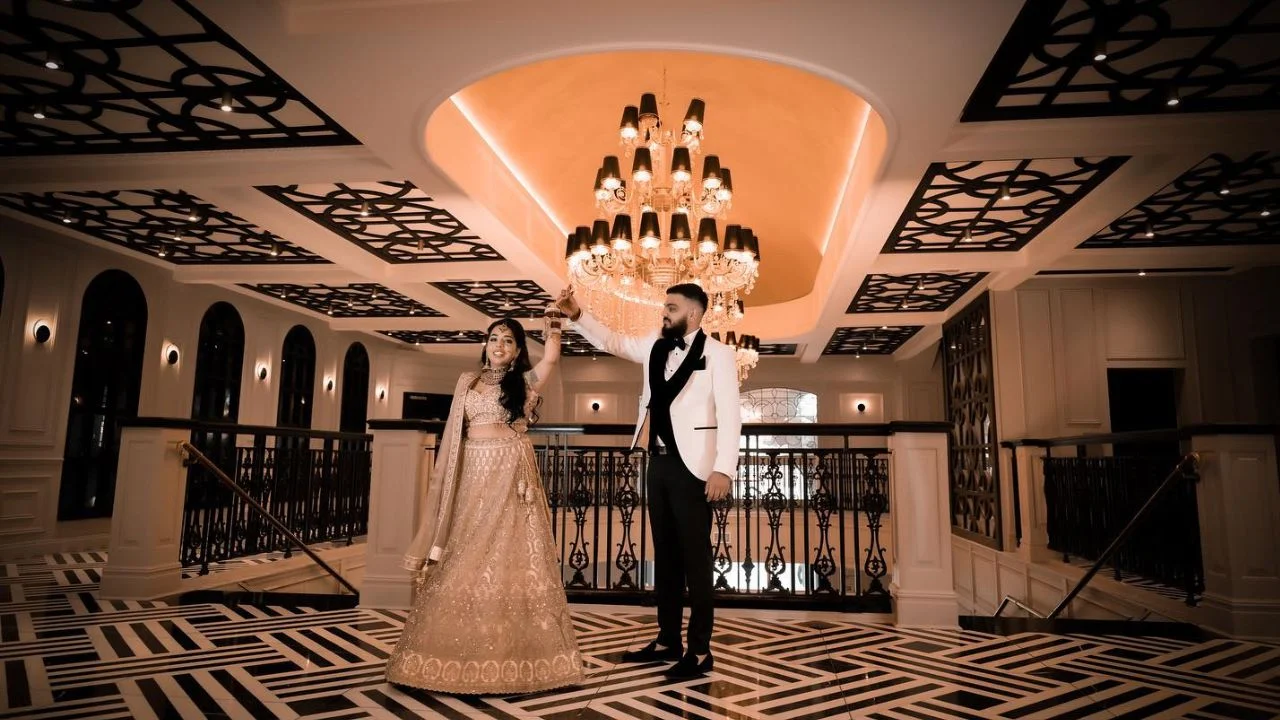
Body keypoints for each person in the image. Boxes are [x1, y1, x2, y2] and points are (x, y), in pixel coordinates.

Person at [386, 315, 584, 694]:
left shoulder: (523, 381)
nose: (499, 346)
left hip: (509, 470)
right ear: (485, 343)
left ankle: (512, 657)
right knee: (464, 552)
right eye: (494, 338)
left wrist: (555, 324)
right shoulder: (467, 381)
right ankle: (444, 655)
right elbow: (455, 435)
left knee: (503, 553)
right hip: (472, 471)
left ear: (518, 350)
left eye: (508, 341)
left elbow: (554, 357)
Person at [556, 283, 741, 679]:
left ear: (693, 314)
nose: (664, 312)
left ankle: (700, 650)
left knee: (697, 562)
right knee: (667, 558)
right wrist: (577, 314)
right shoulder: (656, 344)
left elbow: (730, 413)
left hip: (696, 469)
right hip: (656, 465)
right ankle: (667, 640)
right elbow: (613, 341)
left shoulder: (720, 354)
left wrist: (723, 468)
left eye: (671, 307)